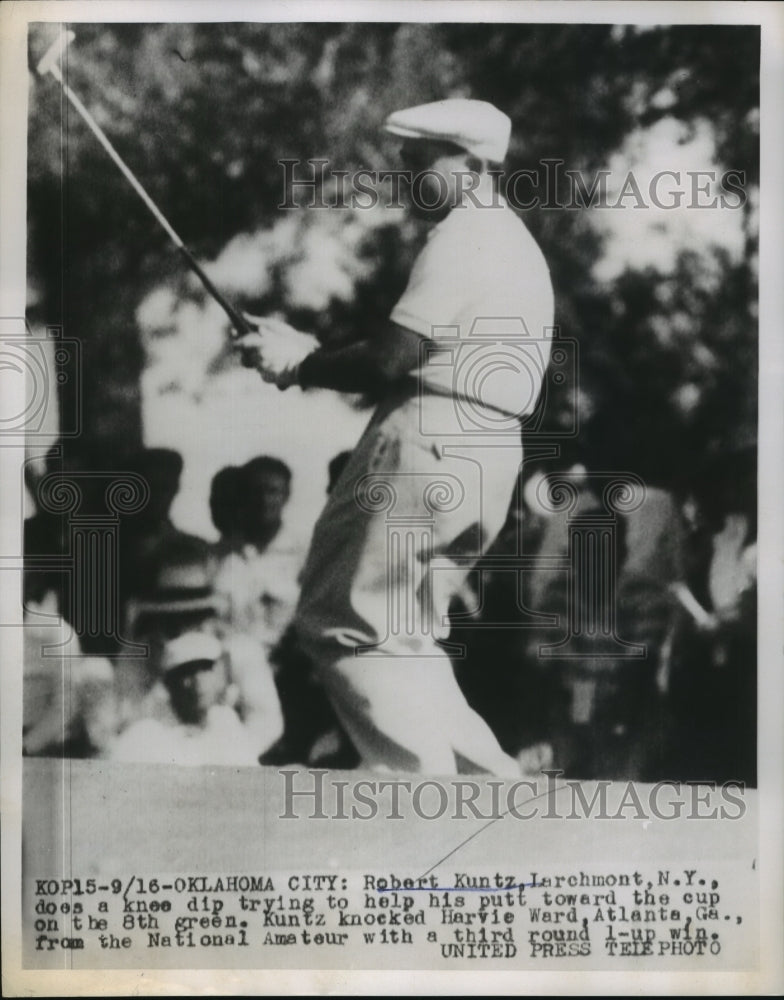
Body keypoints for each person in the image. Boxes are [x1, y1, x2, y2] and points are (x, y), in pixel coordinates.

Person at [237, 99, 555, 775]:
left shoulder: (466, 236)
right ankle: (487, 788)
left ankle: (419, 800)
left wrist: (299, 361)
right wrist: (308, 352)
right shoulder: (513, 242)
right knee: (405, 636)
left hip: (427, 438)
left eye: (420, 162)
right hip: (488, 452)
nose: (408, 177)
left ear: (471, 164)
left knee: (342, 624)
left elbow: (390, 358)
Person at [109, 631, 265, 766]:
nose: (198, 681)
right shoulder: (144, 736)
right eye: (186, 672)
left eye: (205, 669)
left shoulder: (226, 725)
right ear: (168, 682)